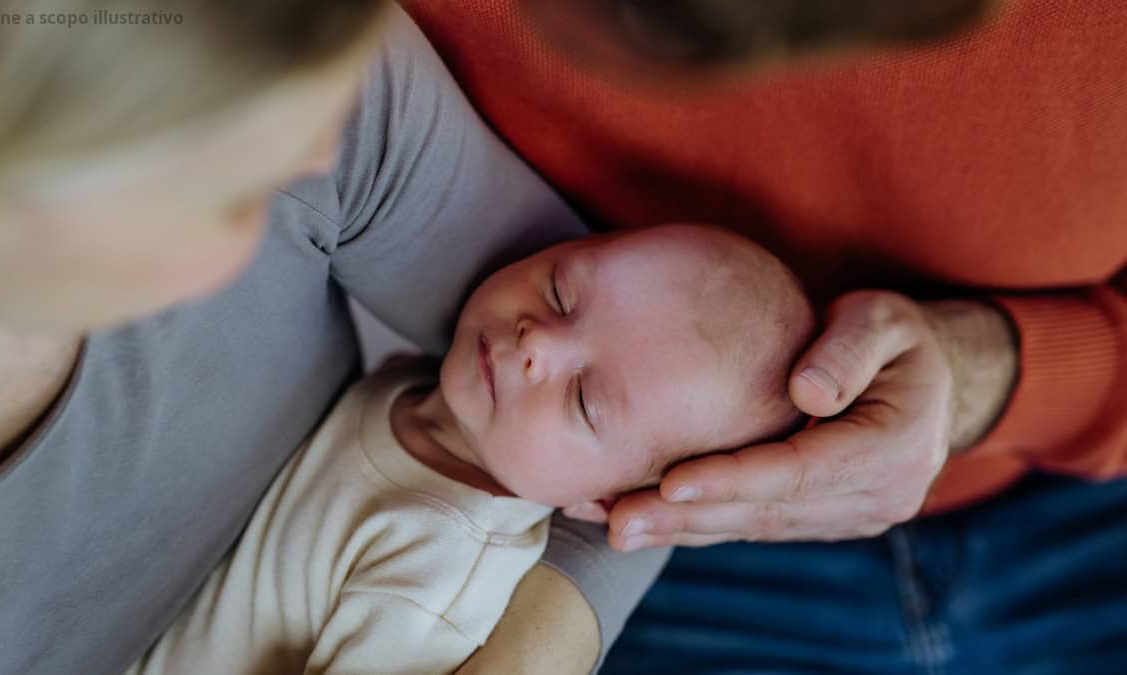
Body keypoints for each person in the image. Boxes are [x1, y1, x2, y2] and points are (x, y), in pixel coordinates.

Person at [0, 4, 669, 674]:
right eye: (234, 195)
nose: (322, 157)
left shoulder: (293, 62)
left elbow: (673, 403)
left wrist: (536, 654)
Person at [400, 0, 1127, 671]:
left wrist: (984, 372)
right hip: (681, 555)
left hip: (1077, 498)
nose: (537, 342)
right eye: (561, 289)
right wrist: (565, 606)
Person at [127, 223, 815, 674]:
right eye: (561, 290)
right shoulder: (421, 391)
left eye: (583, 399)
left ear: (600, 501)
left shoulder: (441, 575)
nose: (537, 342)